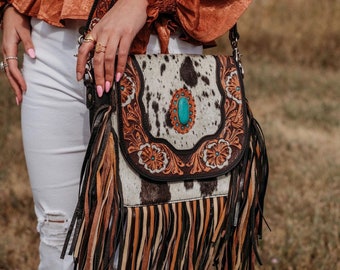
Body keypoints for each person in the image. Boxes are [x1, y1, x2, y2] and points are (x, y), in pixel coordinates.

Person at [0, 0, 252, 268]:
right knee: (58, 237)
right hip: (50, 44)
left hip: (153, 48)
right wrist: (12, 6)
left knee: (149, 241)